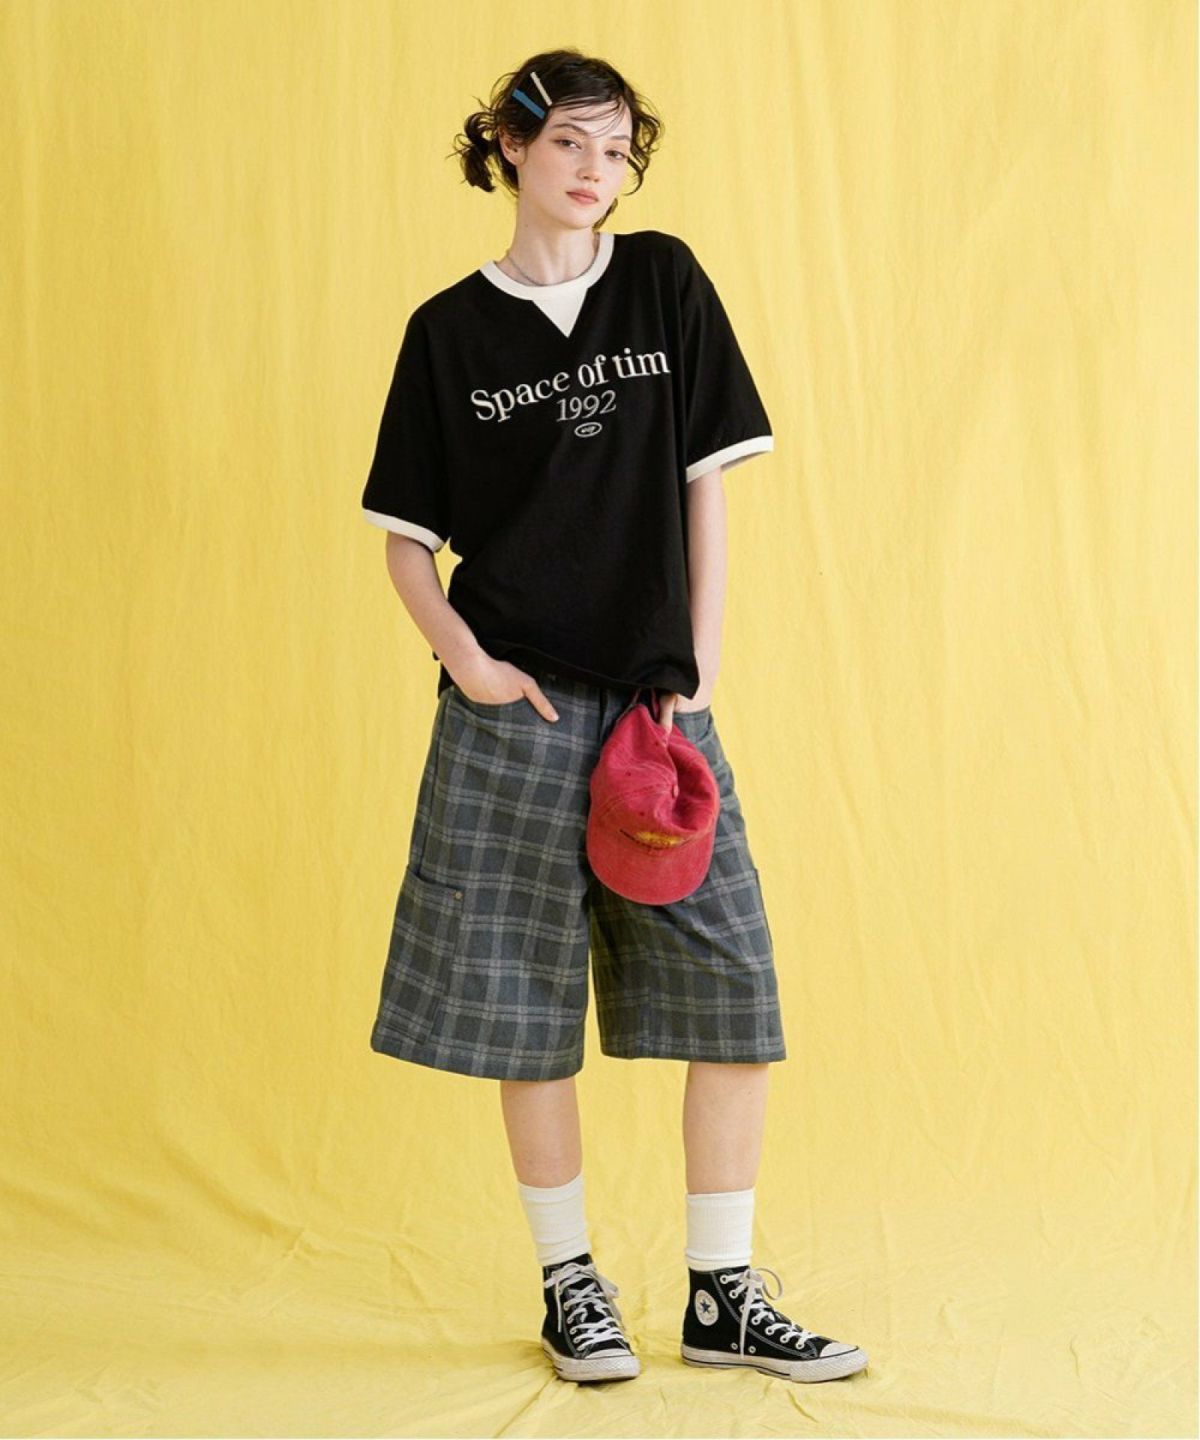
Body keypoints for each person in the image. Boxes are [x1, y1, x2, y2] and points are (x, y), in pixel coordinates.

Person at [360, 47, 868, 1386]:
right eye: (571, 144)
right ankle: (570, 1285)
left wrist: (700, 665)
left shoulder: (662, 282)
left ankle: (722, 1296)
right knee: (525, 1009)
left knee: (732, 989)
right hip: (514, 714)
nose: (598, 170)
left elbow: (706, 484)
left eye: (618, 148)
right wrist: (471, 665)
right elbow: (406, 542)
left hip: (655, 717)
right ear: (510, 146)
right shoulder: (447, 334)